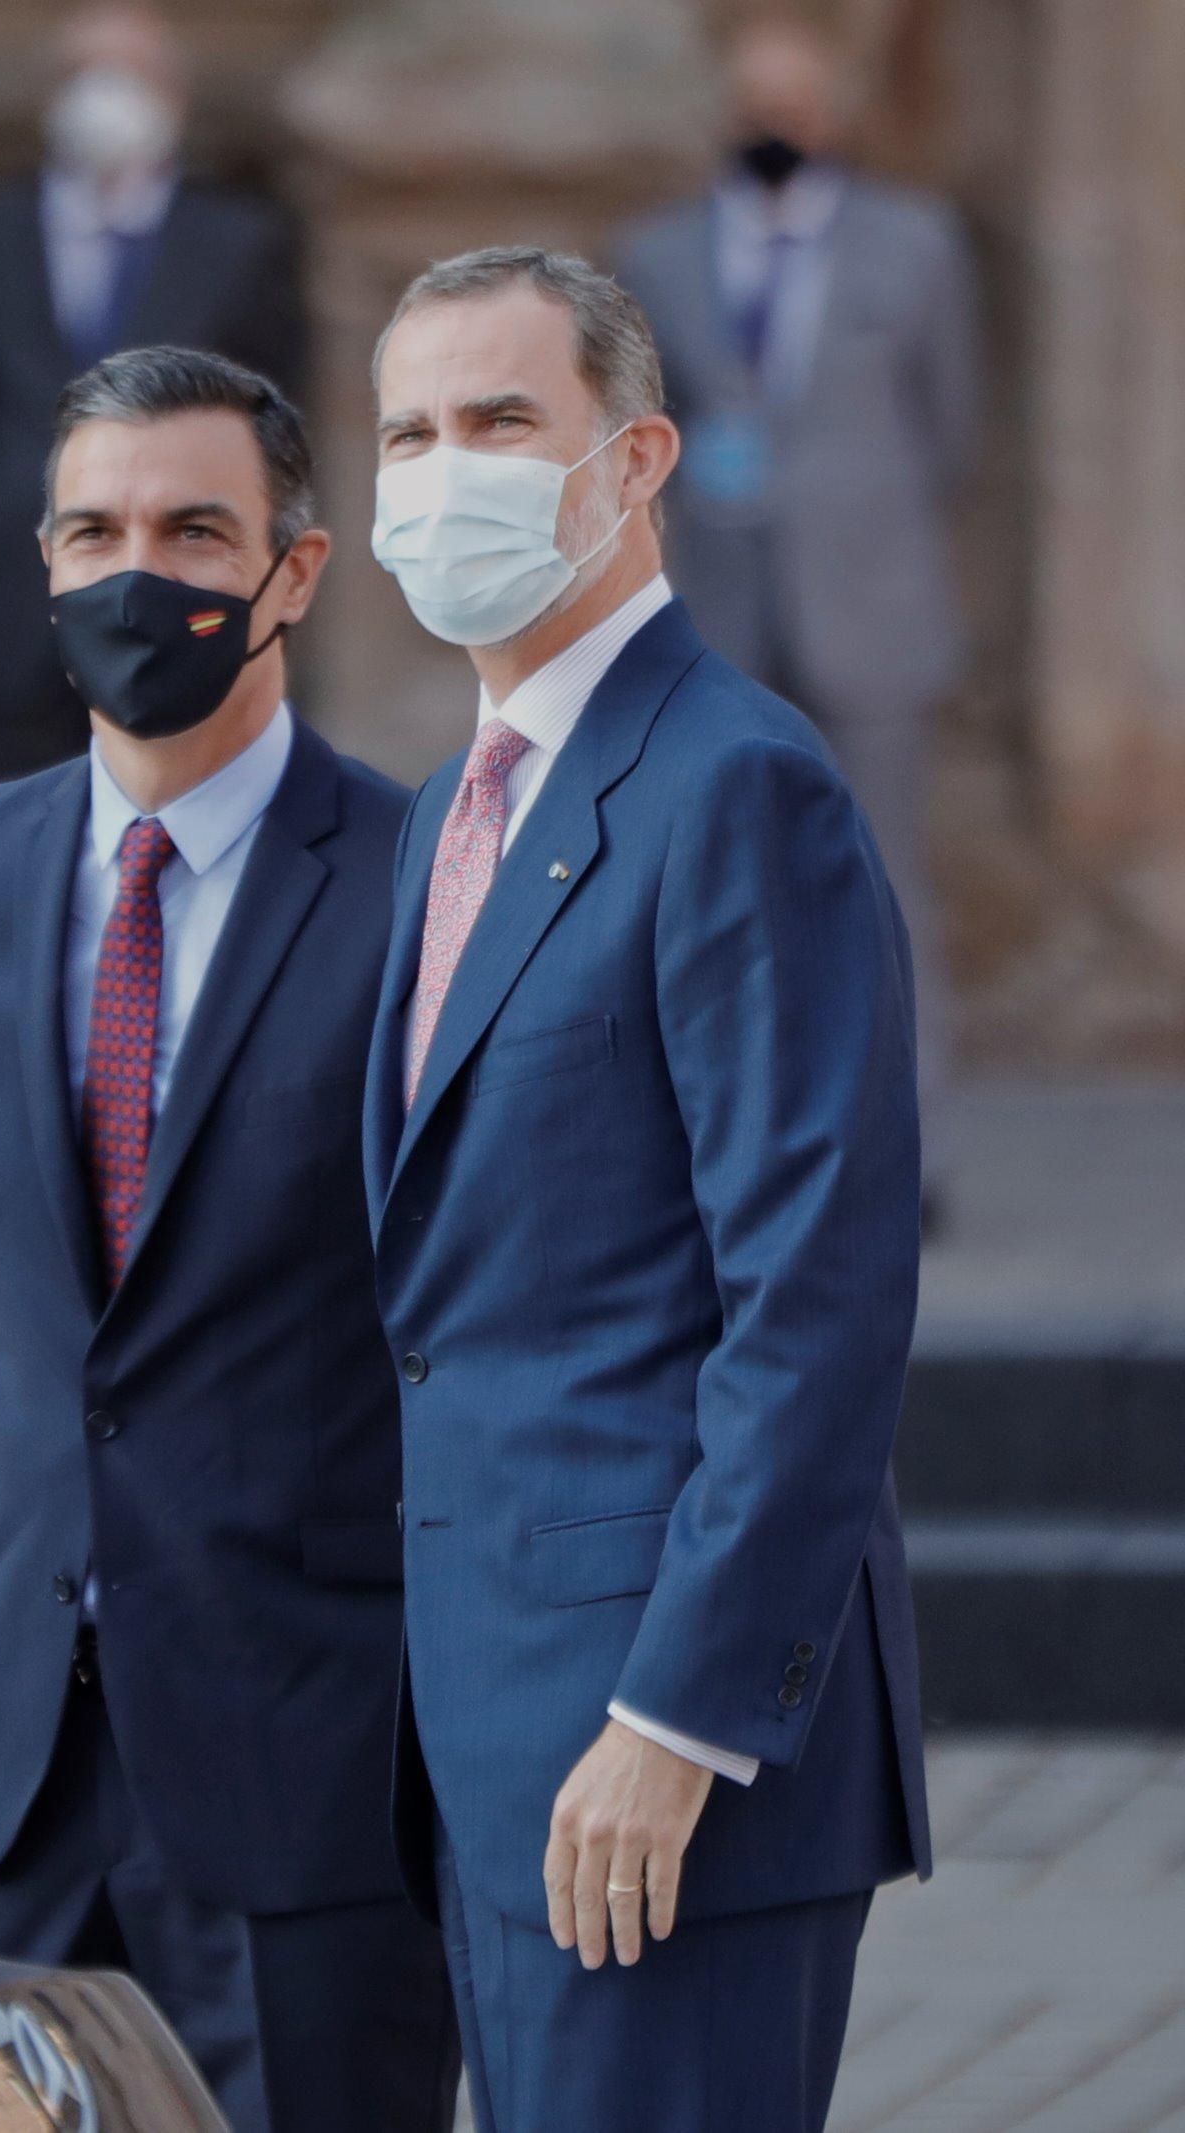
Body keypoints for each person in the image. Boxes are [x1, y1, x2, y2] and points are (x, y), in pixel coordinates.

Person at [360, 246, 928, 2132]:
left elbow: (817, 1303)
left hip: (652, 1765)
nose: (445, 471)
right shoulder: (464, 805)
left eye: (500, 420)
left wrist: (676, 1721)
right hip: (489, 1729)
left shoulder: (737, 787)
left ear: (634, 457)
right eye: (410, 431)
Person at [0, 347, 453, 2133]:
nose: (145, 573)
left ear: (294, 570)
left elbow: (463, 1309)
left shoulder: (427, 881)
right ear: (44, 560)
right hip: (5, 1767)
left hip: (304, 1755)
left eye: (198, 531)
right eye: (98, 529)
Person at [613, 8, 980, 1197]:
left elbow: (951, 431)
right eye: (755, 105)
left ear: (834, 115)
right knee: (717, 886)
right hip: (715, 611)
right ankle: (727, 1146)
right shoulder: (655, 253)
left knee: (879, 883)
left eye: (795, 106)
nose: (775, 127)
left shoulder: (913, 247)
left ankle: (892, 1148)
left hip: (866, 606)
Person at [0, 5, 308, 787]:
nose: (107, 96)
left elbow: (276, 425)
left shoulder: (239, 242)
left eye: (133, 74)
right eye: (84, 75)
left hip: (185, 610)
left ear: (175, 97)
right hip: (17, 609)